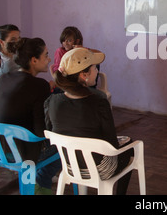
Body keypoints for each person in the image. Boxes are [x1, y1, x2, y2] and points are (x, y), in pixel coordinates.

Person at [44, 47, 133, 195]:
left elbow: (51, 132)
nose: (97, 71)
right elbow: (111, 144)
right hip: (100, 169)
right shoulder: (99, 102)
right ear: (84, 75)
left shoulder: (51, 101)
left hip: (69, 166)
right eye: (94, 68)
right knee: (130, 147)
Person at [0, 37, 60, 194]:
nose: (48, 60)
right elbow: (41, 132)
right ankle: (42, 184)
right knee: (65, 146)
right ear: (33, 60)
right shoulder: (39, 85)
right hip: (20, 154)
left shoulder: (3, 78)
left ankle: (36, 182)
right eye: (46, 55)